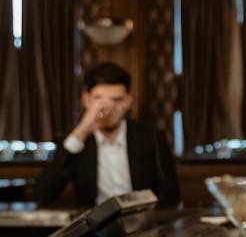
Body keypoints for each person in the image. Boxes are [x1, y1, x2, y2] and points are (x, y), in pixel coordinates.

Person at [33, 61, 180, 207]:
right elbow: (43, 193)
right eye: (98, 99)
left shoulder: (152, 138)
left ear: (128, 101)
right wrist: (81, 132)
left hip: (142, 225)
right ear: (86, 100)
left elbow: (171, 197)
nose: (108, 107)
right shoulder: (75, 141)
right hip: (94, 227)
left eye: (116, 100)